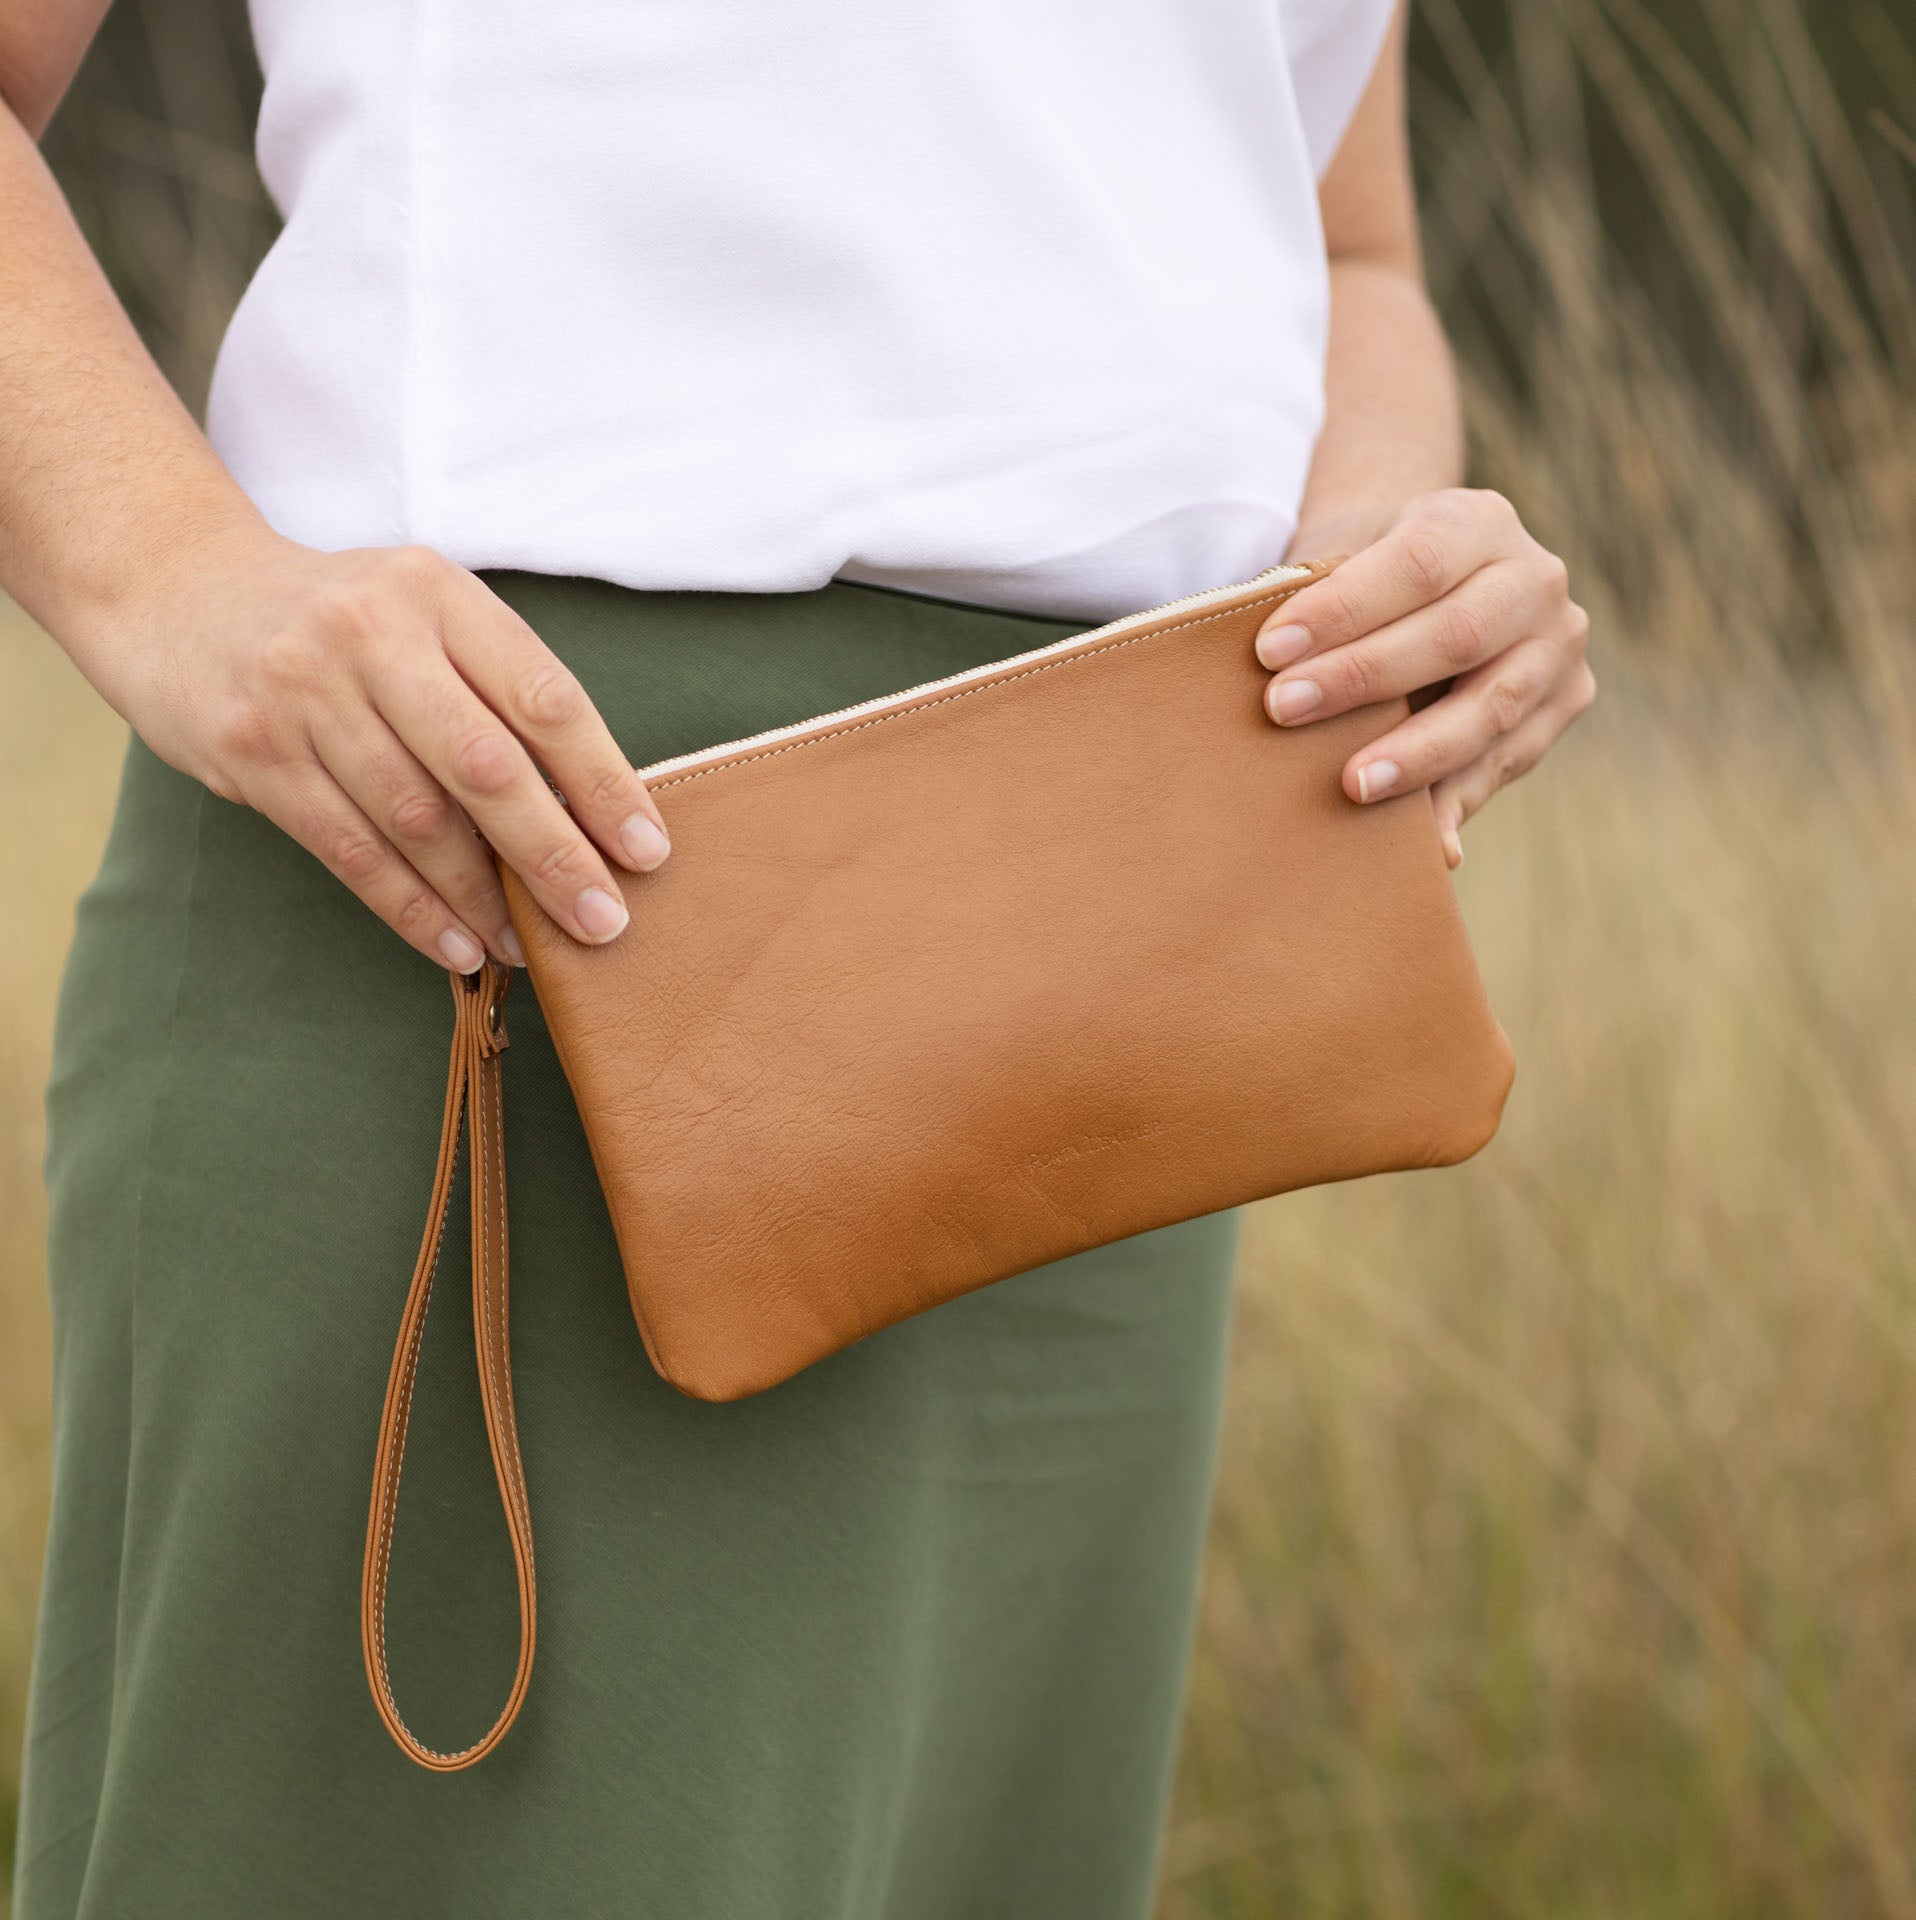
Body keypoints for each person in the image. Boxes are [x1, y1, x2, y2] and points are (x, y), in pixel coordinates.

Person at [2, 1, 1593, 1914]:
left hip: (1131, 1009)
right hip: (500, 914)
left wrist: (1385, 550)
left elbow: (1348, 246)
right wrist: (168, 572)